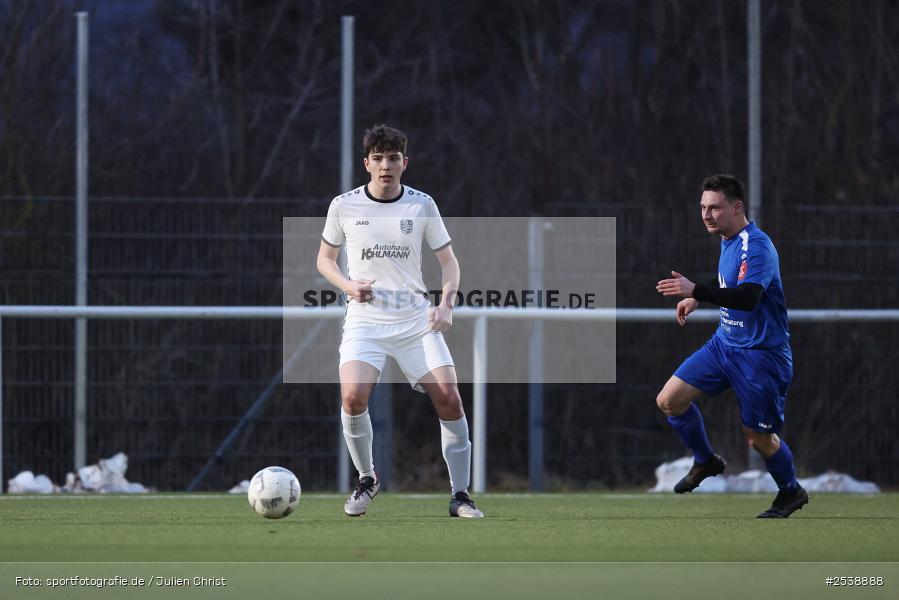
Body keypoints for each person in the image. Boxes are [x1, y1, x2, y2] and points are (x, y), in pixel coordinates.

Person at [316, 124, 484, 518]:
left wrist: (445, 306)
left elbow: (449, 263)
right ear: (366, 164)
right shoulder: (343, 205)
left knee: (450, 397)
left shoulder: (422, 205)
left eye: (393, 158)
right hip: (365, 321)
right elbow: (324, 259)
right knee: (353, 398)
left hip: (414, 322)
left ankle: (460, 495)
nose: (385, 166)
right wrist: (348, 286)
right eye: (378, 159)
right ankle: (367, 478)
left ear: (404, 163)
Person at [655, 174, 808, 518]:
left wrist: (696, 291)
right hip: (724, 345)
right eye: (703, 208)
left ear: (737, 207)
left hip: (760, 355)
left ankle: (790, 491)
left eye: (715, 208)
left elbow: (749, 296)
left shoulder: (756, 246)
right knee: (669, 400)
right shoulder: (729, 239)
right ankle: (706, 461)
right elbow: (729, 283)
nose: (707, 215)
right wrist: (701, 297)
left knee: (758, 439)